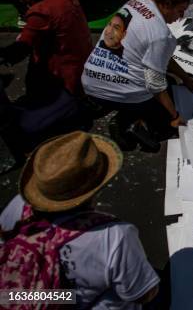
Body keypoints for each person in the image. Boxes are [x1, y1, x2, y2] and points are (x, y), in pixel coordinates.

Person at [0, 131, 159, 308]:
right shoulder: (114, 236)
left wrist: (60, 295)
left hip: (19, 298)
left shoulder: (17, 205)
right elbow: (143, 294)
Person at [81, 0, 193, 150]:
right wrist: (174, 117)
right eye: (180, 11)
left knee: (166, 80)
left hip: (90, 82)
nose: (180, 17)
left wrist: (186, 77)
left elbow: (161, 57)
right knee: (168, 95)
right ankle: (127, 124)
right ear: (166, 5)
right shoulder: (161, 35)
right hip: (121, 91)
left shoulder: (133, 3)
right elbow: (155, 86)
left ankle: (111, 107)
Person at [0, 0, 92, 156]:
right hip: (82, 69)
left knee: (25, 126)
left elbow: (21, 48)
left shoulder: (41, 11)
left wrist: (4, 55)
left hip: (65, 79)